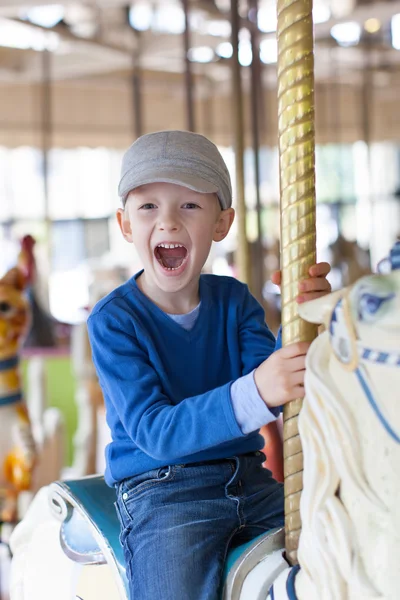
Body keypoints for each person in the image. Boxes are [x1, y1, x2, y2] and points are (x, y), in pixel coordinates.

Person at [87, 130, 331, 600]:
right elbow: (156, 432)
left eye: (190, 206)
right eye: (148, 207)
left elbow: (273, 384)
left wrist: (303, 320)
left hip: (250, 478)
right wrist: (261, 387)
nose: (169, 222)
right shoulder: (115, 321)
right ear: (124, 224)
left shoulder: (234, 301)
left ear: (222, 223)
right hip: (162, 495)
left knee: (341, 545)